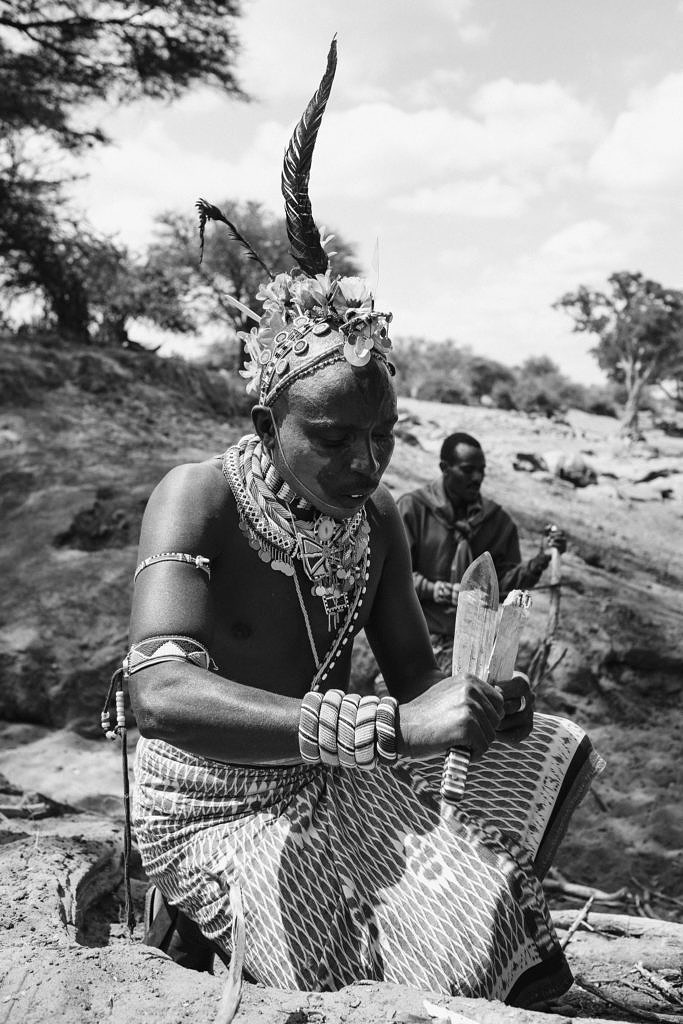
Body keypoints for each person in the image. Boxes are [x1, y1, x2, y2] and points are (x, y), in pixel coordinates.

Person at [121, 41, 602, 1013]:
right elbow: (160, 692)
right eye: (333, 437)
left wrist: (478, 700)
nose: (363, 463)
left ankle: (453, 897)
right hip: (216, 799)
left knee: (546, 784)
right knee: (421, 967)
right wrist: (382, 725)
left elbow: (418, 677)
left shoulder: (376, 516)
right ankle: (196, 909)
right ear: (267, 423)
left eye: (381, 438)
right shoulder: (196, 496)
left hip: (334, 772)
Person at [397, 433, 566, 671]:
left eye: (482, 470)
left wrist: (542, 559)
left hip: (476, 646)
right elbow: (394, 578)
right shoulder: (411, 510)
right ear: (444, 468)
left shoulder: (497, 522)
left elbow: (506, 588)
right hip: (417, 642)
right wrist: (438, 591)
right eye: (467, 470)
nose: (477, 478)